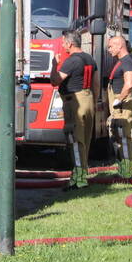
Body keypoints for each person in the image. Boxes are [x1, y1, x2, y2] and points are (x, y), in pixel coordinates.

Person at [50, 31, 97, 190]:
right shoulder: (89, 58)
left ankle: (79, 179)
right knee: (85, 140)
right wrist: (95, 101)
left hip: (74, 103)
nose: (63, 45)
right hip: (88, 99)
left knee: (75, 141)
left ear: (70, 44)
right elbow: (95, 83)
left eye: (63, 43)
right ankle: (80, 174)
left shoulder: (71, 61)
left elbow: (55, 81)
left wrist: (54, 65)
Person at [106, 35, 132, 179]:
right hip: (118, 106)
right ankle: (123, 170)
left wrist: (119, 99)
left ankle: (127, 173)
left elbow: (129, 83)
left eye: (111, 46)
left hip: (123, 106)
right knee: (116, 137)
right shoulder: (121, 61)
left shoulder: (127, 61)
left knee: (123, 138)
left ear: (120, 46)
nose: (109, 49)